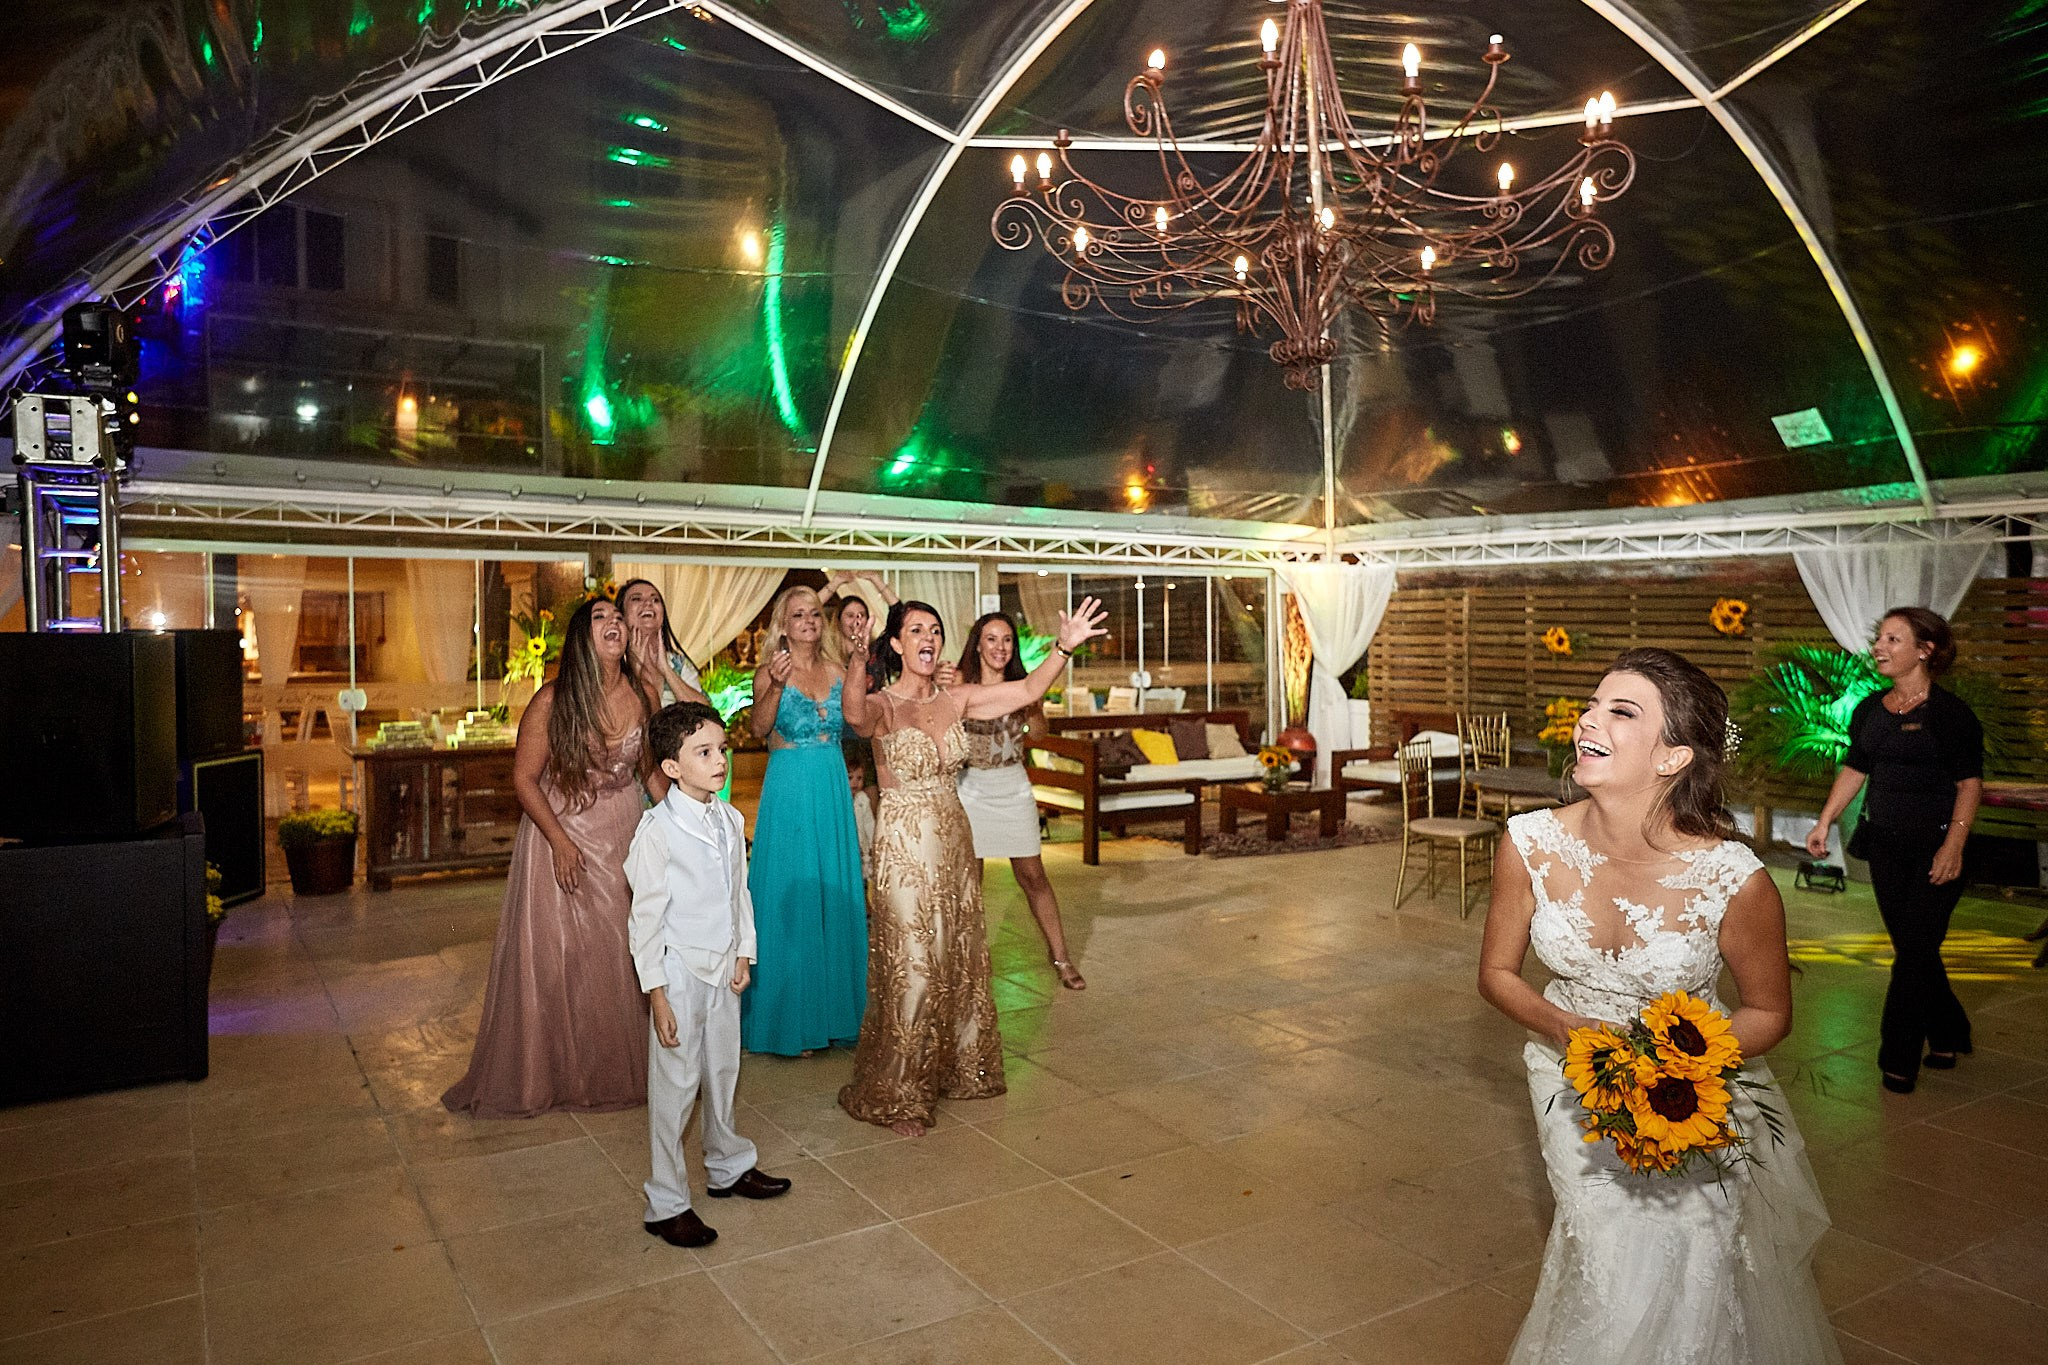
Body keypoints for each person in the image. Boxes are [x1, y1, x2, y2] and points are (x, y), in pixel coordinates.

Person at [1478, 647, 1839, 1365]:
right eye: (1593, 702)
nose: (1589, 718)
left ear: (1674, 755)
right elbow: (1496, 972)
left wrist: (1673, 1071)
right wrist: (1563, 1027)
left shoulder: (1734, 878)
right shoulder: (1529, 842)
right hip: (1566, 1079)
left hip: (1690, 1094)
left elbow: (1768, 1011)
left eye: (1621, 710)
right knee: (1604, 1246)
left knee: (1690, 1250)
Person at [838, 595, 1108, 1137]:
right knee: (912, 966)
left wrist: (1063, 648)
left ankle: (957, 1064)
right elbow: (853, 715)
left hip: (955, 837)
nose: (928, 637)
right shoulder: (885, 704)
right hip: (905, 845)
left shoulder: (957, 699)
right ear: (896, 644)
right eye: (916, 629)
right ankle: (899, 1091)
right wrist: (856, 657)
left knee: (956, 955)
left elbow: (1028, 691)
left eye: (934, 629)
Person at [443, 596, 653, 1118]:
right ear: (582, 638)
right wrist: (559, 840)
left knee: (624, 952)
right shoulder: (552, 700)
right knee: (566, 958)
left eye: (618, 620)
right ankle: (557, 1072)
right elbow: (523, 778)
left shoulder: (644, 694)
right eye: (601, 618)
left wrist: (688, 822)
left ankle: (617, 1069)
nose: (614, 625)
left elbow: (650, 771)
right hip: (563, 830)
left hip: (622, 830)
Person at [627, 701, 791, 1250]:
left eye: (721, 749)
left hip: (724, 968)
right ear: (671, 767)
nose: (720, 760)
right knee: (675, 1087)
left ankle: (727, 1164)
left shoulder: (729, 817)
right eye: (704, 752)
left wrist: (744, 951)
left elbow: (738, 893)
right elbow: (645, 918)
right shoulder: (657, 830)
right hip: (677, 971)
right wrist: (657, 995)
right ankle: (666, 1201)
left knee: (722, 1070)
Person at [1806, 607, 1983, 1094]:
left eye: (1892, 639)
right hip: (1884, 846)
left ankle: (1898, 1059)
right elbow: (1854, 770)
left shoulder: (1951, 715)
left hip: (1937, 850)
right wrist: (1824, 820)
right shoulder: (1869, 710)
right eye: (1879, 638)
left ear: (1924, 650)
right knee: (1916, 950)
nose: (1878, 647)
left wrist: (1953, 845)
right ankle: (1947, 1032)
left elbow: (1969, 785)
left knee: (1913, 954)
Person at [741, 584, 867, 1057]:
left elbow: (859, 721)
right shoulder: (769, 672)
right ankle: (790, 1019)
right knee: (791, 900)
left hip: (831, 784)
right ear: (784, 624)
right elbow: (757, 729)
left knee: (831, 897)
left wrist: (860, 660)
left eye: (815, 613)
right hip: (790, 788)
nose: (809, 620)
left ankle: (836, 1016)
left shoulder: (838, 670)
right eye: (798, 615)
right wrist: (773, 686)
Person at [955, 612, 1085, 990]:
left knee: (1033, 876)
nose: (1000, 647)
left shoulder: (1025, 685)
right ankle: (970, 962)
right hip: (970, 787)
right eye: (992, 639)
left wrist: (1032, 710)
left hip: (1011, 786)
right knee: (969, 882)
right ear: (978, 644)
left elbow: (1040, 736)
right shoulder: (961, 684)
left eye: (1006, 640)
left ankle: (1060, 956)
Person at [617, 579, 710, 709]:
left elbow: (706, 715)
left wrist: (666, 670)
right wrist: (635, 669)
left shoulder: (678, 664)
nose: (648, 603)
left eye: (655, 600)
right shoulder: (614, 666)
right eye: (636, 599)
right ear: (621, 616)